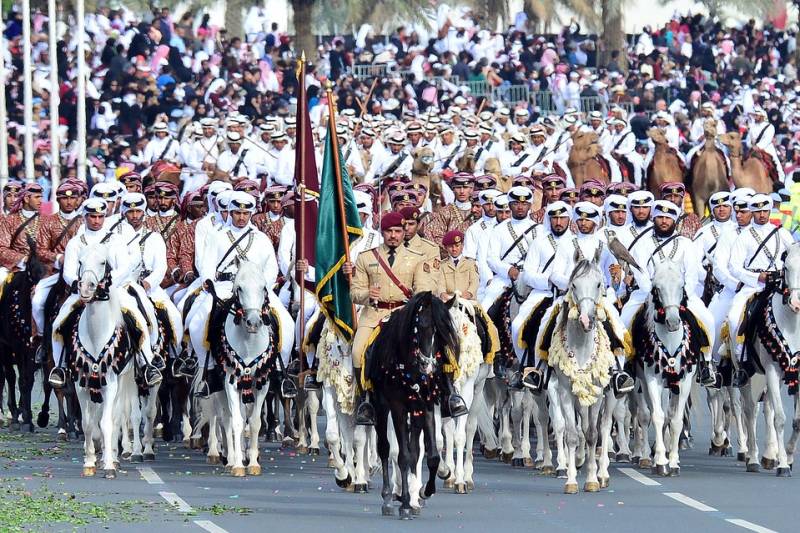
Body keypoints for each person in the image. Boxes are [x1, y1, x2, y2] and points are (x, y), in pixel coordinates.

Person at [188, 191, 296, 398]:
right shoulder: (216, 236)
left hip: (255, 290)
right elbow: (207, 264)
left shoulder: (261, 238)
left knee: (287, 324)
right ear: (229, 212)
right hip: (224, 286)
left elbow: (271, 268)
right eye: (237, 212)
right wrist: (208, 281)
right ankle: (207, 370)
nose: (241, 217)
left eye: (246, 213)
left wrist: (264, 287)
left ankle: (281, 374)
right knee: (195, 324)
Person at [48, 198, 163, 388]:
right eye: (92, 216)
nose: (96, 220)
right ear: (85, 217)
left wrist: (107, 283)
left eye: (100, 216)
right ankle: (60, 367)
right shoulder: (76, 242)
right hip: (83, 291)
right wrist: (77, 283)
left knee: (138, 318)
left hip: (114, 291)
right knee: (59, 322)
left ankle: (147, 363)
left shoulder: (114, 240)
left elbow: (124, 267)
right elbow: (68, 270)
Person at [345, 212, 444, 425]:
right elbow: (354, 292)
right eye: (389, 231)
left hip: (403, 314)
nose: (393, 236)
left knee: (432, 347)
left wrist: (416, 300)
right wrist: (366, 295)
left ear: (403, 232)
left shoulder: (417, 258)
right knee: (357, 351)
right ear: (382, 232)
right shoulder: (366, 257)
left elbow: (424, 289)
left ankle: (444, 393)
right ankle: (366, 399)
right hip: (374, 314)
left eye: (397, 231)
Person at [622, 200, 717, 386]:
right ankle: (625, 367)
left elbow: (691, 276)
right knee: (625, 320)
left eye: (668, 218)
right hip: (647, 294)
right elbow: (640, 273)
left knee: (707, 319)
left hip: (680, 296)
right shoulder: (643, 244)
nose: (664, 221)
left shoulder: (685, 244)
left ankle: (706, 363)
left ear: (674, 220)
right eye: (660, 218)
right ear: (654, 219)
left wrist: (683, 296)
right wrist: (652, 293)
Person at [726, 194, 795, 385]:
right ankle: (742, 363)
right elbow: (734, 266)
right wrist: (758, 277)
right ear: (753, 212)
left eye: (765, 211)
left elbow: (794, 258)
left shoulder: (782, 233)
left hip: (781, 285)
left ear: (770, 210)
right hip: (754, 286)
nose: (762, 215)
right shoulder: (744, 236)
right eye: (757, 211)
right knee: (733, 319)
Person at [511, 201, 574, 390]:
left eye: (562, 218)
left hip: (568, 295)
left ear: (569, 219)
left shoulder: (575, 242)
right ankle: (526, 367)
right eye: (554, 218)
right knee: (517, 325)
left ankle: (613, 369)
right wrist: (547, 281)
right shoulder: (539, 242)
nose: (558, 222)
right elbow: (528, 273)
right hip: (542, 292)